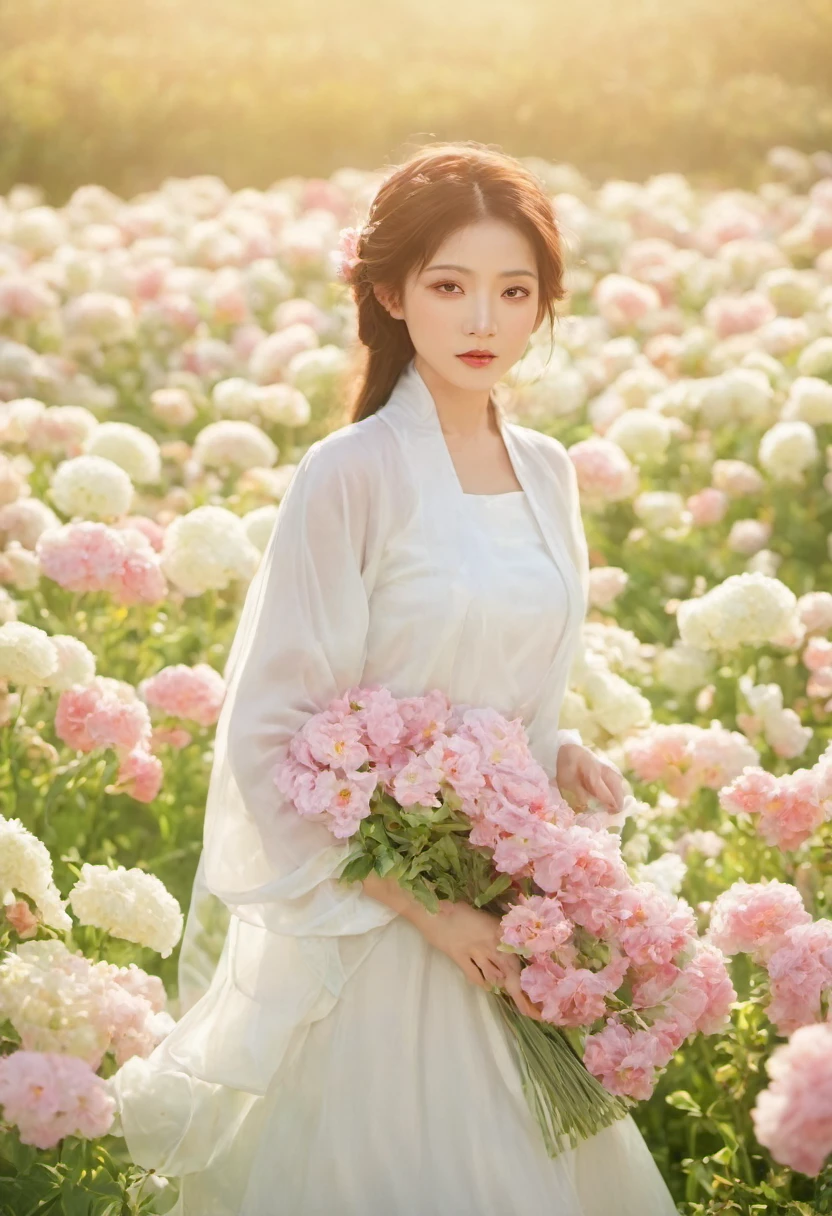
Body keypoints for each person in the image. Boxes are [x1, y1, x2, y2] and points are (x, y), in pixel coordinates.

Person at [112, 141, 680, 1215]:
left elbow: (500, 671)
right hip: (385, 937)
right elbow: (274, 732)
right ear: (390, 293)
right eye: (449, 287)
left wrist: (550, 752)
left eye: (514, 292)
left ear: (543, 304)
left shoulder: (548, 470)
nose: (483, 322)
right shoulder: (351, 474)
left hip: (506, 919)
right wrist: (429, 913)